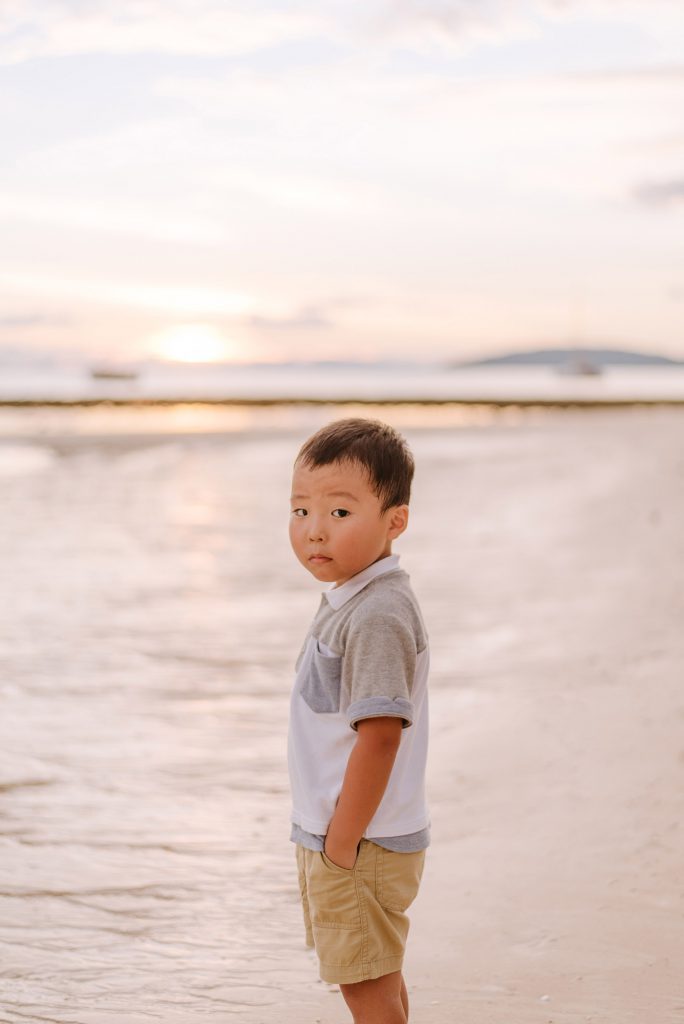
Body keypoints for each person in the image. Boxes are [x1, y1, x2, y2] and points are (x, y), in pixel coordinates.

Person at [287, 417, 430, 1024]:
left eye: (339, 514)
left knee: (363, 981)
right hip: (346, 834)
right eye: (300, 511)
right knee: (375, 970)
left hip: (358, 838)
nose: (314, 531)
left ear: (394, 521)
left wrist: (341, 843)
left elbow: (379, 738)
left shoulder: (375, 613)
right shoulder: (352, 597)